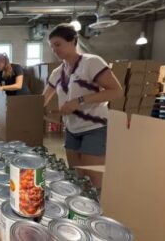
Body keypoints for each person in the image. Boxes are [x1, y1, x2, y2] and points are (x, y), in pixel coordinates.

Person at [42, 23, 123, 168]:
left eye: (58, 44)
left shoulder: (91, 62)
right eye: (51, 46)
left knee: (92, 178)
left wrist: (79, 101)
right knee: (76, 175)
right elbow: (42, 99)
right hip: (72, 130)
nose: (54, 50)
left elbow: (116, 91)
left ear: (72, 41)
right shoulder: (57, 73)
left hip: (94, 128)